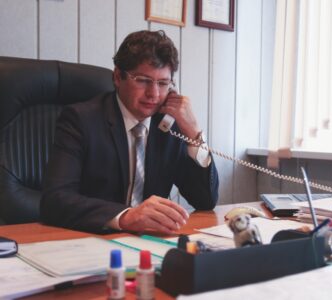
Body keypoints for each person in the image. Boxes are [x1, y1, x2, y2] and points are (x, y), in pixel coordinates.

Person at [40, 30, 219, 234]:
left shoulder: (170, 124)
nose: (154, 94)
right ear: (118, 77)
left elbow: (205, 200)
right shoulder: (80, 120)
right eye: (142, 80)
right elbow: (55, 200)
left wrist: (195, 134)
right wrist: (125, 216)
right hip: (92, 237)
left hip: (149, 243)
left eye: (163, 83)